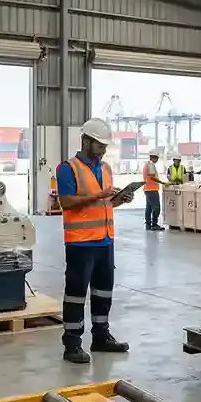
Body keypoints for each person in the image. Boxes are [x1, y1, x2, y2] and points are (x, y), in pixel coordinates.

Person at [55, 117, 135, 364]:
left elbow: (104, 204)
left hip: (104, 241)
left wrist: (120, 200)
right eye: (99, 145)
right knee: (76, 294)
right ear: (85, 141)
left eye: (104, 146)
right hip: (80, 243)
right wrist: (98, 195)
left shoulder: (106, 169)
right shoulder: (68, 168)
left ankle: (101, 337)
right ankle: (72, 344)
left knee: (103, 292)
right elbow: (66, 202)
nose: (103, 150)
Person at [142, 151, 168, 231]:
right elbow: (153, 178)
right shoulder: (150, 165)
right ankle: (154, 224)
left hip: (147, 189)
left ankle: (148, 225)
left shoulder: (147, 164)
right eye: (157, 158)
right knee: (156, 207)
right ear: (154, 157)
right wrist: (162, 182)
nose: (157, 160)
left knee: (149, 208)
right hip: (152, 190)